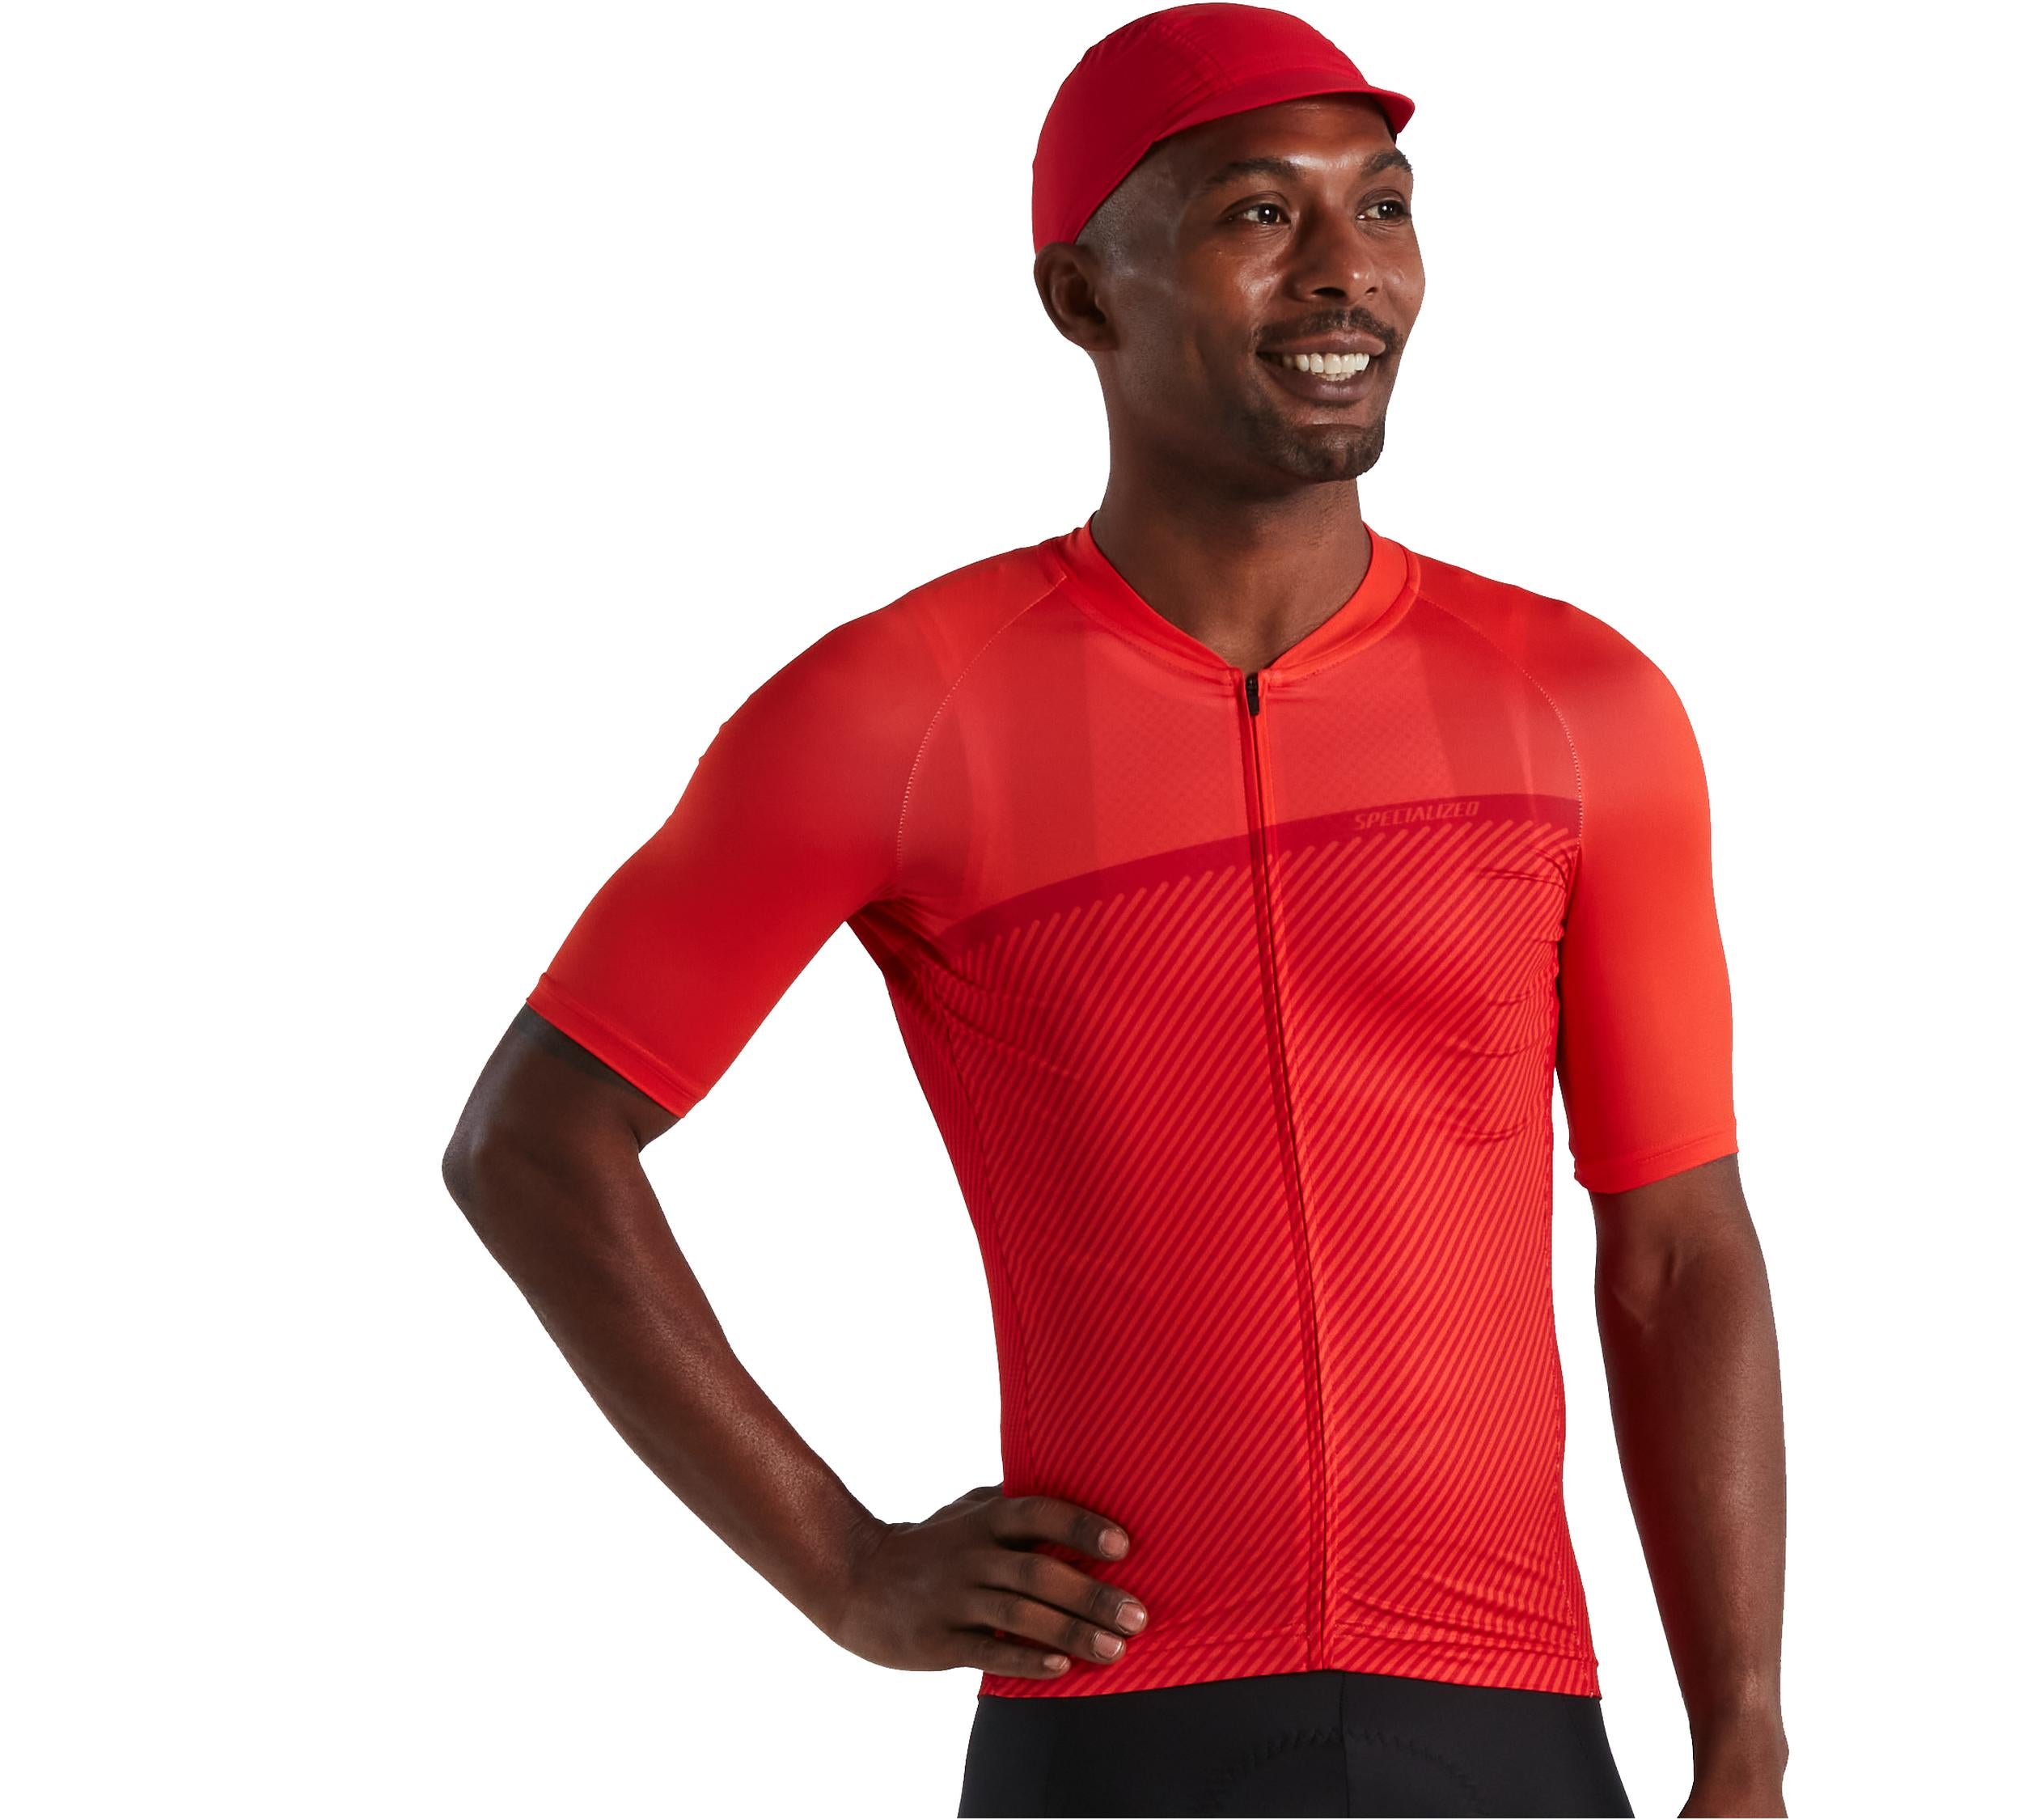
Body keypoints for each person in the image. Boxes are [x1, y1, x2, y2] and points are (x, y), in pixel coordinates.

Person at [440, 6, 1789, 1813]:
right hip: (1116, 1723)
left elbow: (1679, 1249)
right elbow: (532, 1138)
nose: (1347, 271)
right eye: (1259, 215)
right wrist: (837, 1561)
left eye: (1383, 206)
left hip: (1503, 1726)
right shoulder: (901, 708)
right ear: (1081, 297)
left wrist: (1744, 1745)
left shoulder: (1576, 704)